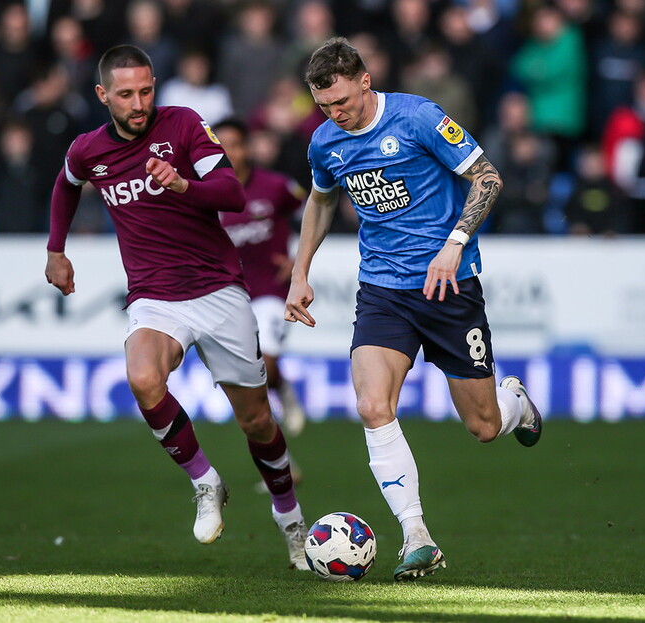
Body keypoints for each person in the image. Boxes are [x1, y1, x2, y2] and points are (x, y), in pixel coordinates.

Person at [286, 37, 543, 582]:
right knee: (372, 405)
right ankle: (417, 536)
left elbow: (488, 177)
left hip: (449, 288)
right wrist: (300, 271)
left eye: (343, 103)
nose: (336, 115)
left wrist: (454, 243)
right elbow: (322, 199)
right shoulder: (325, 142)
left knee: (482, 426)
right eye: (324, 107)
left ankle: (513, 402)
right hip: (382, 291)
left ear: (364, 81)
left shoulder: (419, 117)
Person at [43, 45, 309, 570]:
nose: (139, 103)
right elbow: (66, 185)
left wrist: (183, 184)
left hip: (219, 291)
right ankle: (206, 482)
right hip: (155, 296)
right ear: (103, 95)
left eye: (145, 90)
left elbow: (231, 192)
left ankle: (291, 519)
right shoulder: (87, 150)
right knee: (143, 378)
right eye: (125, 94)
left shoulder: (184, 125)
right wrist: (56, 249)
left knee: (256, 421)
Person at [214, 118, 307, 439]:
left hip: (271, 288)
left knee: (263, 361)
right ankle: (281, 394)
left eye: (234, 145)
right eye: (220, 146)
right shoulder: (204, 194)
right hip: (228, 293)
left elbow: (314, 211)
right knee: (249, 371)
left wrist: (300, 259)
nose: (228, 153)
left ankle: (273, 427)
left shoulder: (276, 186)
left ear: (246, 148)